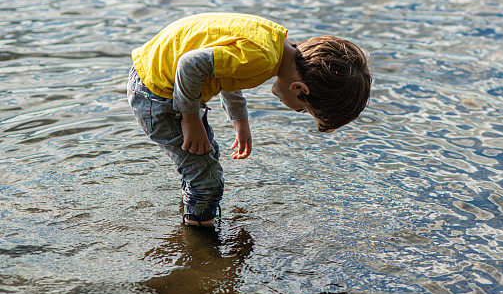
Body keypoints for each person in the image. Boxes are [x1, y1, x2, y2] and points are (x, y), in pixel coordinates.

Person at [126, 12, 371, 227]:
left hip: (159, 78)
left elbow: (225, 70)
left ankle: (193, 215)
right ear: (300, 89)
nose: (298, 112)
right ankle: (201, 239)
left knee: (203, 162)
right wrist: (190, 119)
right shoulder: (262, 62)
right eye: (304, 110)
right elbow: (189, 64)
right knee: (207, 179)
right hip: (157, 94)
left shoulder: (274, 43)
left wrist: (240, 119)